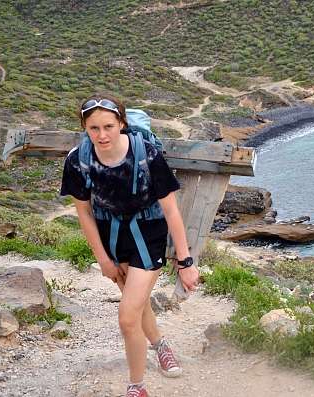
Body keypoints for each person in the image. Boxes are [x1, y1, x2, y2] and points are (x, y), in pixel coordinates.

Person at [60, 94, 199, 397]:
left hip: (147, 232)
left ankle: (136, 387)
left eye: (108, 126)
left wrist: (186, 262)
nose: (102, 135)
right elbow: (83, 212)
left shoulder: (146, 154)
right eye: (94, 128)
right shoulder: (78, 159)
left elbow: (171, 210)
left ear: (121, 123)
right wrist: (103, 259)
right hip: (111, 235)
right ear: (84, 127)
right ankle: (161, 346)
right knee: (135, 305)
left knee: (126, 316)